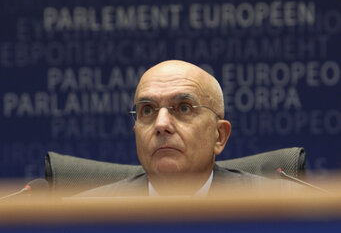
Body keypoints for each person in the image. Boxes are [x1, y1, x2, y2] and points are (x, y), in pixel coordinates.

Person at [79, 60, 273, 197]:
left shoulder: (280, 210)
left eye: (184, 108)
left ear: (219, 136)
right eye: (147, 110)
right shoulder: (83, 218)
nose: (161, 124)